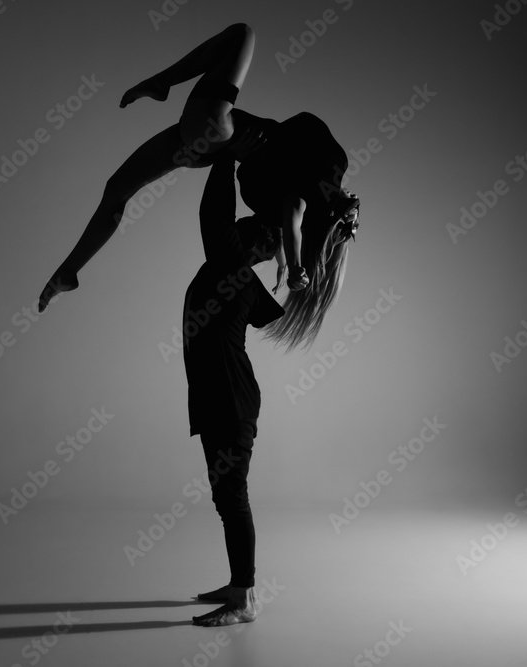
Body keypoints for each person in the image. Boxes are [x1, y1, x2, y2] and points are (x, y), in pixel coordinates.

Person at [36, 22, 356, 316]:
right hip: (203, 146)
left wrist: (295, 263)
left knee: (242, 35)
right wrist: (287, 265)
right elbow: (292, 220)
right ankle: (69, 271)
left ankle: (162, 82)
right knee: (118, 187)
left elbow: (294, 213)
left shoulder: (323, 177)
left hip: (217, 126)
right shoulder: (297, 196)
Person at [183, 131, 358, 628]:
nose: (233, 226)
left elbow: (212, 211)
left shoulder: (228, 260)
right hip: (227, 399)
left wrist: (222, 153)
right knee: (226, 496)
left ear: (245, 239)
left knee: (230, 497)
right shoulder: (242, 277)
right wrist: (285, 261)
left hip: (230, 403)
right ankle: (239, 584)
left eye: (241, 227)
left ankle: (244, 600)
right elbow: (266, 311)